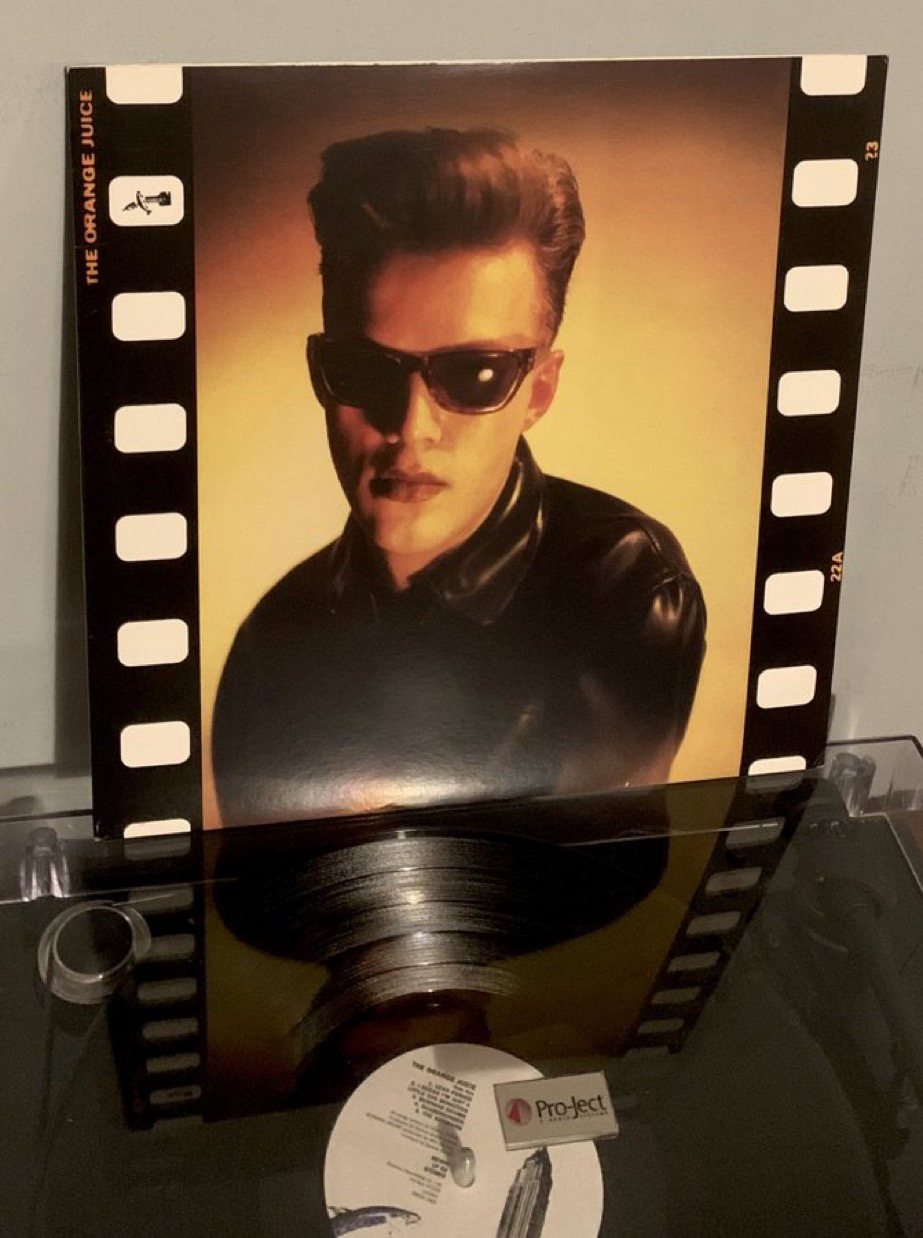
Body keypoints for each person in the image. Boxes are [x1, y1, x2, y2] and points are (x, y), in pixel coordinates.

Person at [211, 127, 706, 826]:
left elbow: (581, 868)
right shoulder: (272, 635)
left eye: (475, 374)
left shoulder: (625, 585)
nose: (411, 427)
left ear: (538, 391)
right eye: (363, 370)